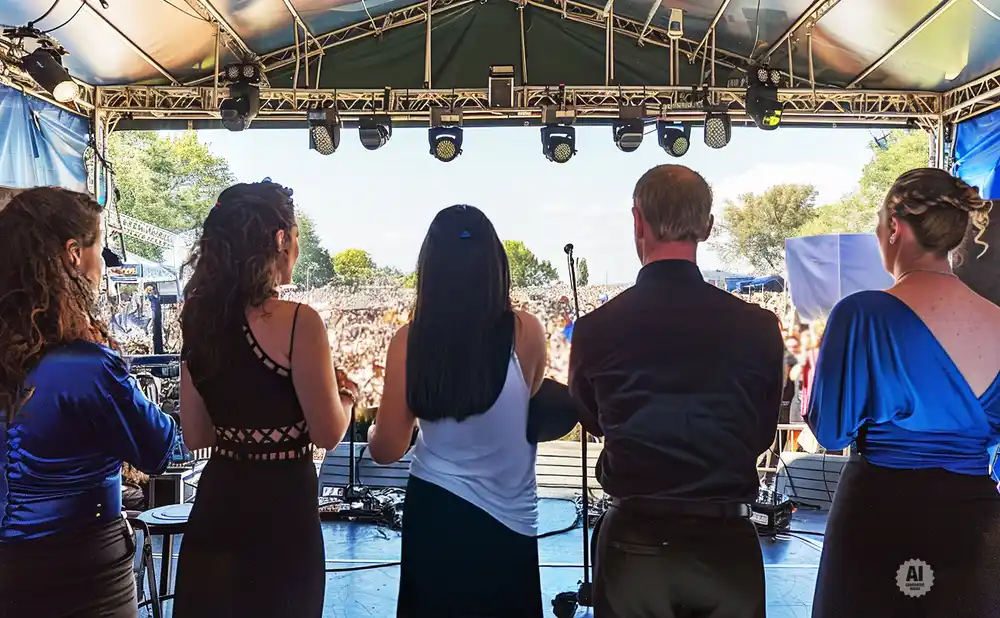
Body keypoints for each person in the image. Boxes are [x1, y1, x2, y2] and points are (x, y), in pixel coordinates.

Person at [569, 165, 784, 618]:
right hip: (727, 549)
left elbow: (592, 418)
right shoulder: (759, 327)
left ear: (637, 221)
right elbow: (762, 431)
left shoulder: (596, 329)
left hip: (634, 548)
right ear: (707, 225)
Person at [808, 168, 1000, 617]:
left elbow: (831, 432)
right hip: (974, 519)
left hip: (880, 510)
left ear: (894, 227)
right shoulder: (998, 320)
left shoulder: (862, 313)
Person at [172, 181, 352, 618]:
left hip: (219, 502)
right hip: (282, 511)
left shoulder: (198, 318)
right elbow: (328, 433)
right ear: (278, 239)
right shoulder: (298, 321)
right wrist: (346, 394)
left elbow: (196, 434)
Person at [0, 187, 178, 618]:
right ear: (74, 254)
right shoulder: (85, 367)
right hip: (79, 565)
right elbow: (159, 448)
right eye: (101, 250)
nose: (103, 267)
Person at [366, 205, 548, 618]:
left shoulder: (409, 340)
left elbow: (387, 449)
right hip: (511, 522)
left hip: (435, 515)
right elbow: (528, 397)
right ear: (496, 266)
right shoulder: (527, 331)